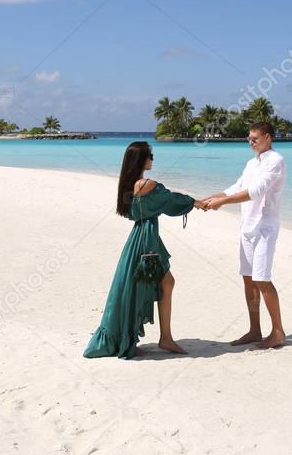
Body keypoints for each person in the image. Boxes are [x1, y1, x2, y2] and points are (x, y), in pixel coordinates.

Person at [83, 141, 206, 359]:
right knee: (146, 287)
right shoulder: (146, 184)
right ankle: (149, 339)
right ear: (141, 159)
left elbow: (163, 201)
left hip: (141, 239)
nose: (153, 159)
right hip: (146, 244)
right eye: (150, 155)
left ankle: (162, 337)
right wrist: (196, 202)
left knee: (161, 283)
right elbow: (170, 200)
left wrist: (195, 202)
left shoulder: (129, 184)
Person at [201, 121, 288, 349]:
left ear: (268, 137)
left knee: (262, 279)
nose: (251, 142)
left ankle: (278, 332)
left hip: (265, 227)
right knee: (248, 279)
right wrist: (211, 198)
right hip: (247, 226)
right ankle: (255, 330)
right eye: (249, 139)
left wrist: (222, 202)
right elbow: (236, 187)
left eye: (255, 139)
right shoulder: (251, 163)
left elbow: (255, 192)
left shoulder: (276, 161)